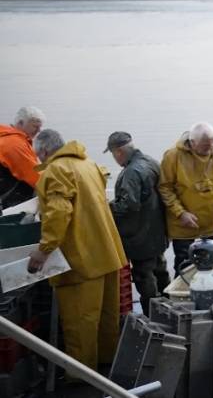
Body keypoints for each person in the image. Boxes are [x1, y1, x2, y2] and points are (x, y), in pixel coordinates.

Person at [26, 129, 127, 375]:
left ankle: (82, 377)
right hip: (108, 252)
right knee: (106, 317)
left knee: (80, 321)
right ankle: (106, 365)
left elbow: (59, 213)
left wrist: (43, 250)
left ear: (45, 151)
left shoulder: (55, 171)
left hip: (82, 260)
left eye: (38, 156)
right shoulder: (88, 163)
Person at [106, 132, 170, 314]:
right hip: (157, 233)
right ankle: (169, 308)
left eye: (112, 153)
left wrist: (107, 208)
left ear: (118, 152)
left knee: (144, 276)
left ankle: (152, 315)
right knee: (160, 270)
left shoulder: (131, 172)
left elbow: (128, 205)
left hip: (139, 237)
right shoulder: (151, 162)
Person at [158, 122, 213, 274]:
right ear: (192, 143)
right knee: (185, 264)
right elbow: (165, 188)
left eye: (211, 145)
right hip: (184, 223)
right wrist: (181, 213)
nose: (210, 149)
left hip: (211, 219)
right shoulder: (173, 156)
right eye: (205, 146)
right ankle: (182, 293)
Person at [0, 107, 45, 210]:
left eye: (40, 127)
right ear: (20, 123)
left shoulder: (7, 137)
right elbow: (35, 177)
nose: (39, 131)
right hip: (11, 204)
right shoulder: (14, 144)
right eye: (35, 127)